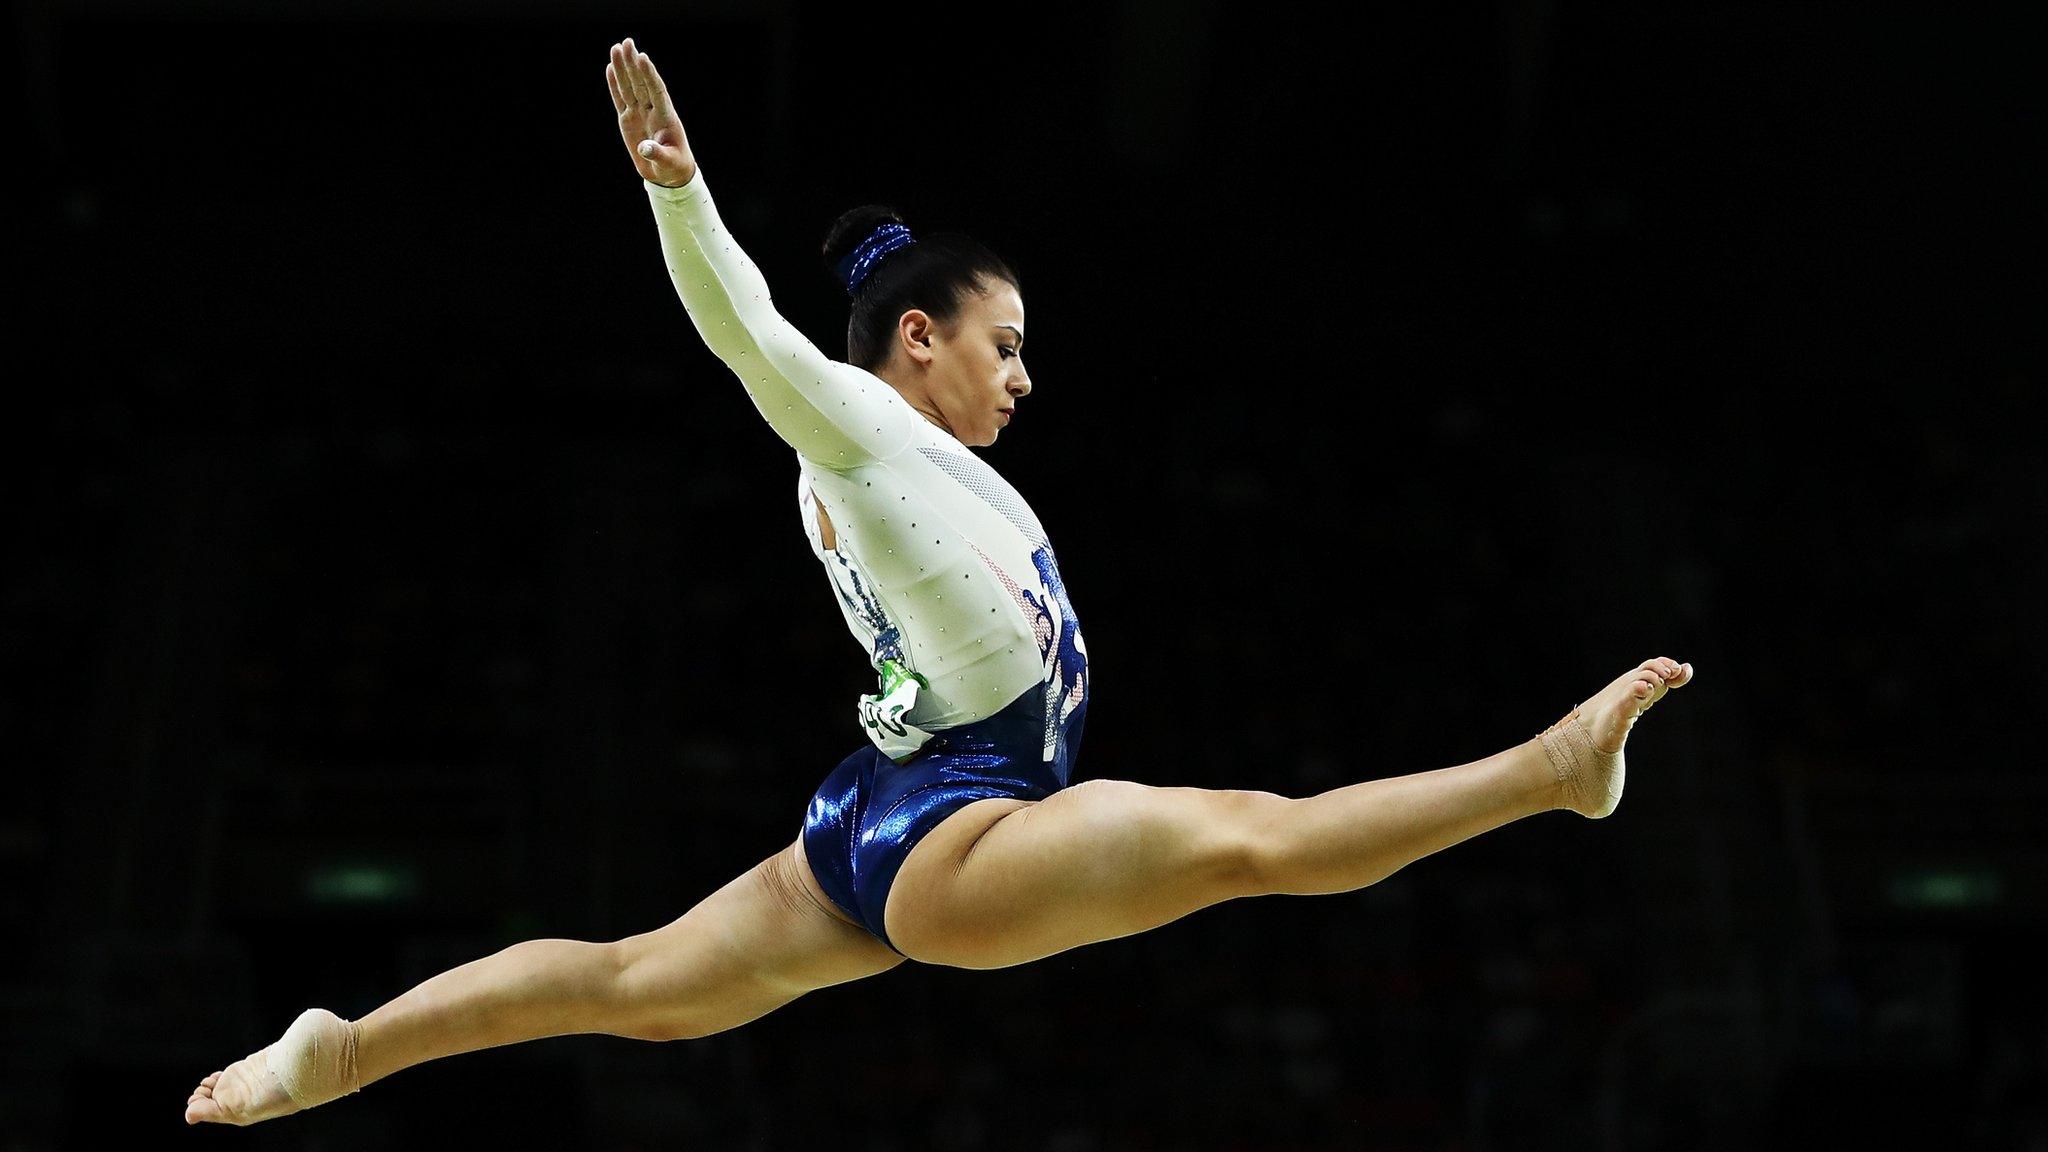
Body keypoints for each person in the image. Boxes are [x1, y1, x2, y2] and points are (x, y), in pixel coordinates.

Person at [183, 36, 1694, 1127]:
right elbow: (753, 340)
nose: (1023, 374)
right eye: (1004, 342)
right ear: (918, 338)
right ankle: (1550, 774)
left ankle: (343, 1054)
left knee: (636, 984)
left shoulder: (894, 469)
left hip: (875, 805)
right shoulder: (856, 434)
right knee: (1253, 841)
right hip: (958, 827)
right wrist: (680, 197)